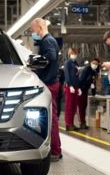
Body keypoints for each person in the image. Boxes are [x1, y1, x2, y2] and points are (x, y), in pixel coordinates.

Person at [30, 18, 62, 161]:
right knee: (50, 118)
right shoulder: (48, 41)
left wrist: (34, 61)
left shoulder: (47, 41)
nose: (33, 33)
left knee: (51, 119)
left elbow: (51, 56)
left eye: (33, 30)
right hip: (51, 83)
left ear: (39, 27)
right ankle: (56, 149)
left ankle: (55, 151)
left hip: (49, 84)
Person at [78, 58, 100, 129]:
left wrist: (94, 93)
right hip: (81, 90)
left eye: (96, 64)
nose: (95, 65)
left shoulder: (94, 71)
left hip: (85, 90)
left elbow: (93, 82)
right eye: (94, 63)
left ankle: (83, 122)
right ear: (91, 63)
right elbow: (81, 80)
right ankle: (82, 123)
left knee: (84, 106)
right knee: (81, 107)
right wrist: (79, 89)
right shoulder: (87, 70)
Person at [63, 48, 81, 131]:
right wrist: (70, 85)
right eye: (72, 54)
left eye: (75, 54)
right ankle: (68, 124)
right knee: (69, 106)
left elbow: (77, 76)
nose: (74, 55)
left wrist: (79, 87)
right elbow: (67, 75)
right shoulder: (68, 63)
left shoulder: (76, 63)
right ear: (69, 54)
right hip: (70, 87)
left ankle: (72, 123)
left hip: (76, 87)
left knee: (74, 106)